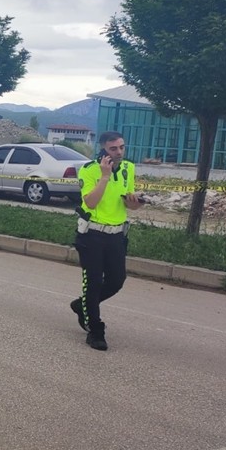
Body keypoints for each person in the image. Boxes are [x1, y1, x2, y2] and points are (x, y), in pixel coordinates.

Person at [70, 131, 146, 351]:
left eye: (122, 147)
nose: (119, 152)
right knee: (93, 283)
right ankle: (95, 330)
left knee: (117, 280)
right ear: (103, 148)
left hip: (116, 234)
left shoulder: (128, 168)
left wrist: (135, 202)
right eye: (113, 148)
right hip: (92, 234)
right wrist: (104, 176)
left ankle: (82, 306)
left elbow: (128, 205)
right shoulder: (89, 169)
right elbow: (91, 203)